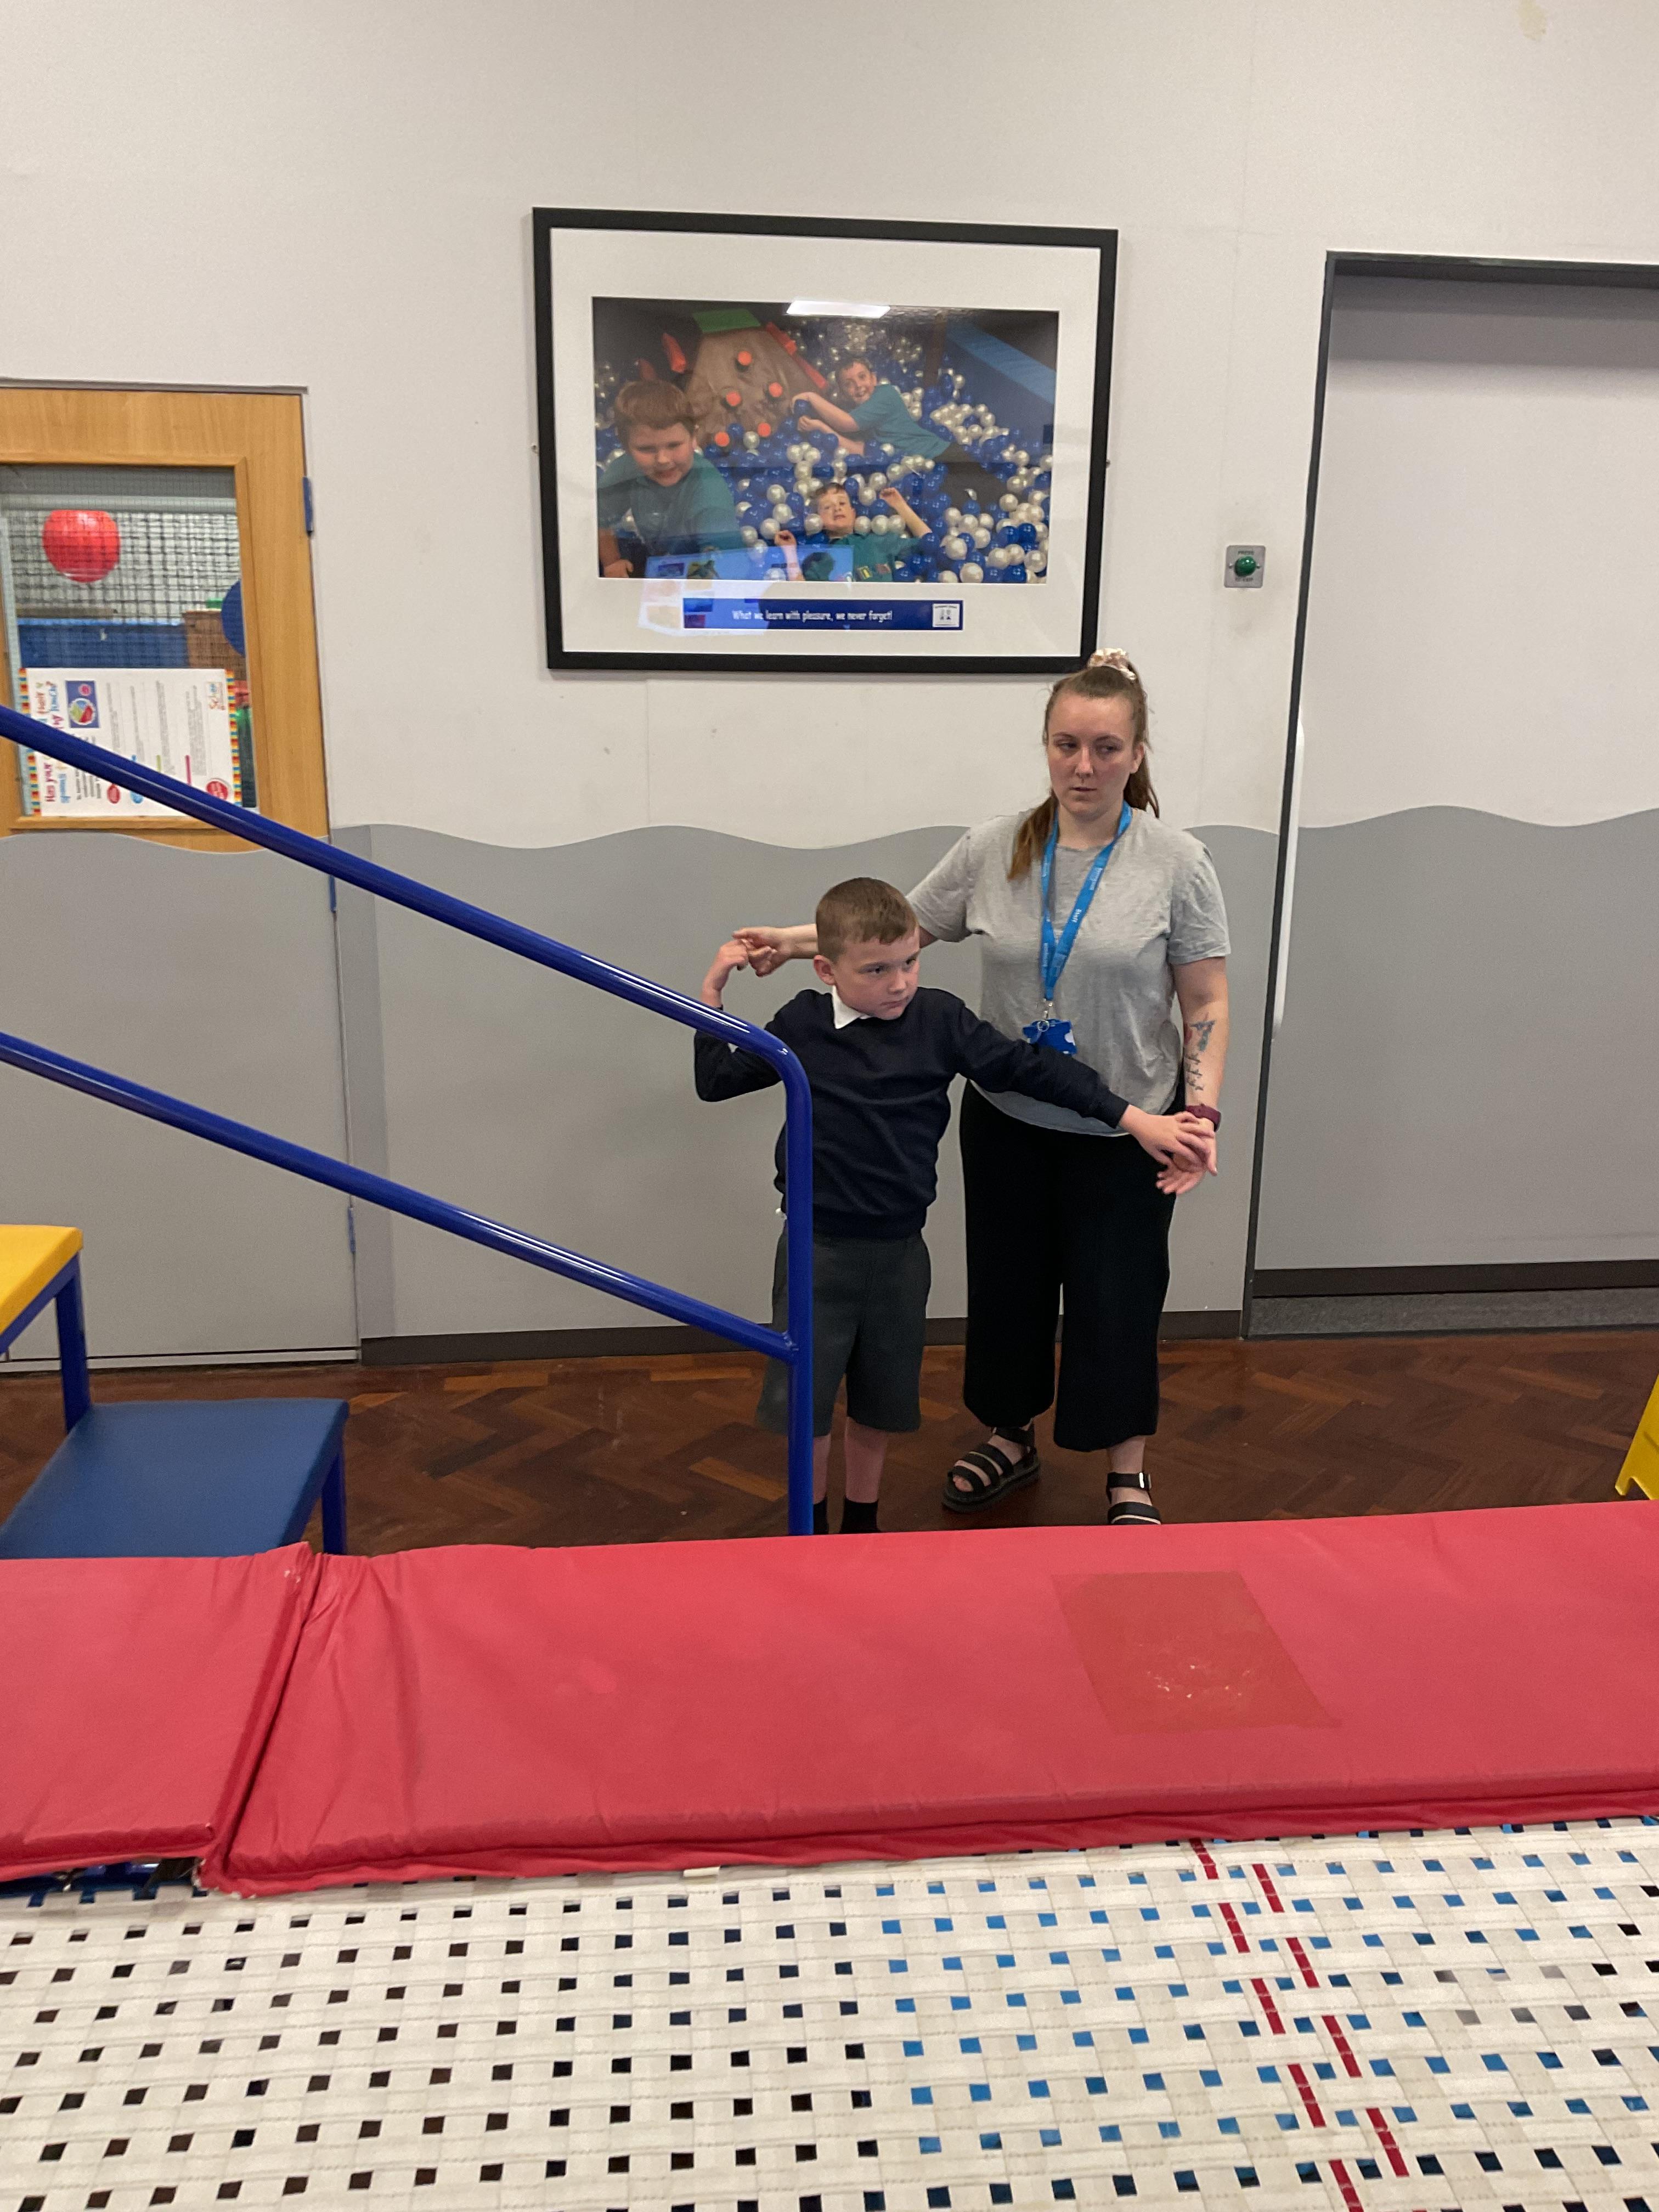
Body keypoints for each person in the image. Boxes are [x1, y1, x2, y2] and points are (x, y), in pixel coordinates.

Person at [734, 651, 1230, 1528]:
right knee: (1009, 1293)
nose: (1084, 767)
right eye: (1067, 745)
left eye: (1106, 748)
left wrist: (1198, 1115)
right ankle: (1010, 1436)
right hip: (1008, 1120)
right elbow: (897, 928)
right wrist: (788, 937)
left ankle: (1127, 1473)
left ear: (1138, 753)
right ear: (1046, 746)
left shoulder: (1178, 864)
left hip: (1128, 1127)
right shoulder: (995, 847)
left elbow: (1207, 1000)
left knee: (1118, 1300)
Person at [695, 875, 1210, 1534]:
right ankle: (810, 1527)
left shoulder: (939, 1021)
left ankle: (861, 1525)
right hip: (814, 1252)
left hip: (900, 1255)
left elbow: (1031, 1070)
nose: (899, 983)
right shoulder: (803, 1023)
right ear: (826, 970)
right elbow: (718, 1080)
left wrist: (1133, 1117)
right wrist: (711, 995)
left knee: (882, 1402)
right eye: (877, 971)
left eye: (910, 962)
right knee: (809, 1403)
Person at [596, 380, 741, 577]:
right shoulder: (626, 469)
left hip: (702, 567)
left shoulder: (709, 495)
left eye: (674, 445)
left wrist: (676, 586)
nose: (663, 460)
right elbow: (599, 517)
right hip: (658, 559)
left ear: (693, 438)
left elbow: (726, 569)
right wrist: (612, 561)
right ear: (626, 446)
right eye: (647, 449)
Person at [794, 356, 950, 461]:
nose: (858, 385)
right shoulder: (859, 415)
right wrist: (821, 427)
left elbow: (846, 423)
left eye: (862, 377)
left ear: (874, 379)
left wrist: (810, 397)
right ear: (843, 394)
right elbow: (861, 450)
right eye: (849, 384)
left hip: (943, 456)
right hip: (920, 466)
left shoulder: (885, 394)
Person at [777, 483, 931, 583]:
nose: (837, 508)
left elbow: (929, 543)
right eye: (827, 507)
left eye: (842, 503)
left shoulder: (877, 542)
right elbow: (802, 593)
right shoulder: (819, 558)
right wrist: (790, 551)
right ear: (817, 519)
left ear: (853, 513)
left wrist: (899, 505)